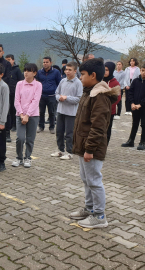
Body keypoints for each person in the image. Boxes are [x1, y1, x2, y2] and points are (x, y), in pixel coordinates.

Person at [69, 58, 119, 229]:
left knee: (94, 181)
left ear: (93, 75)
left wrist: (89, 149)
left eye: (82, 74)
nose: (80, 77)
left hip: (92, 148)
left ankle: (99, 216)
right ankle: (89, 209)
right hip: (84, 146)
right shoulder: (88, 92)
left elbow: (98, 127)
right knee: (86, 179)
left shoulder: (99, 96)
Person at [51, 62, 83, 160]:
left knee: (69, 134)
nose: (67, 71)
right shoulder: (62, 81)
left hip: (71, 113)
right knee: (59, 132)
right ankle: (61, 150)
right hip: (60, 111)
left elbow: (78, 99)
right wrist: (58, 98)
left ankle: (70, 152)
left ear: (75, 71)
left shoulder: (78, 83)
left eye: (70, 70)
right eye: (66, 69)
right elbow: (56, 93)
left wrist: (66, 98)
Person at [12, 63, 42, 168]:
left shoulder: (38, 85)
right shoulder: (19, 84)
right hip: (20, 115)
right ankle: (19, 157)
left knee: (30, 139)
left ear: (34, 73)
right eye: (25, 70)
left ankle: (28, 158)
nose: (26, 73)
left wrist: (27, 115)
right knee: (20, 138)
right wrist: (21, 114)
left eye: (28, 71)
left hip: (33, 116)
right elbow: (16, 100)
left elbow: (35, 101)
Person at [121, 63, 145, 150]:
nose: (143, 73)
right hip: (135, 106)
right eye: (142, 70)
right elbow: (130, 92)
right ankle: (131, 141)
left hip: (143, 107)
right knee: (134, 124)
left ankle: (142, 142)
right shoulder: (135, 81)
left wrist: (140, 104)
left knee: (143, 124)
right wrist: (132, 103)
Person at [36, 57, 62, 134]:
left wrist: (57, 93)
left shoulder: (56, 72)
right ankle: (41, 126)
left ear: (51, 63)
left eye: (47, 62)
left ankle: (52, 127)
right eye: (44, 62)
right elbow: (37, 83)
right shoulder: (39, 72)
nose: (45, 64)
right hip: (42, 96)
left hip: (52, 96)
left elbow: (59, 83)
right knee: (41, 112)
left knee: (52, 112)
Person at [5, 54, 24, 141]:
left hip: (14, 92)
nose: (8, 61)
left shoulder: (17, 70)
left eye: (9, 60)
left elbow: (21, 81)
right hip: (6, 93)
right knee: (7, 110)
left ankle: (14, 125)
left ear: (13, 60)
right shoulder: (5, 69)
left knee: (14, 109)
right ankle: (8, 125)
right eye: (6, 60)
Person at [103, 62, 121, 145]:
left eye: (107, 70)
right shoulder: (100, 81)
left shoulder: (115, 83)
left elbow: (118, 98)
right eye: (104, 69)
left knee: (107, 129)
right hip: (99, 110)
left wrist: (109, 105)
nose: (105, 72)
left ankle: (104, 146)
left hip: (110, 111)